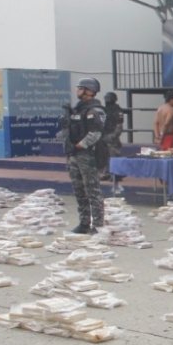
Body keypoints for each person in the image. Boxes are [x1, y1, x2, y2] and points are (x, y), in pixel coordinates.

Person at [65, 77, 106, 234]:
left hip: (88, 155)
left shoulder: (95, 110)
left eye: (80, 88)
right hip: (75, 155)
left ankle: (97, 225)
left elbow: (95, 133)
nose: (77, 90)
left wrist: (79, 146)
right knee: (79, 190)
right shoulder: (77, 110)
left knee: (92, 191)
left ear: (89, 91)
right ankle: (83, 223)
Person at [99, 91, 125, 194]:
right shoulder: (103, 110)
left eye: (108, 98)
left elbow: (119, 126)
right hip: (103, 136)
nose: (106, 100)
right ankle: (106, 173)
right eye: (106, 98)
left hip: (112, 137)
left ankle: (116, 175)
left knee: (114, 156)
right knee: (104, 156)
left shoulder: (118, 111)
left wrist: (113, 136)